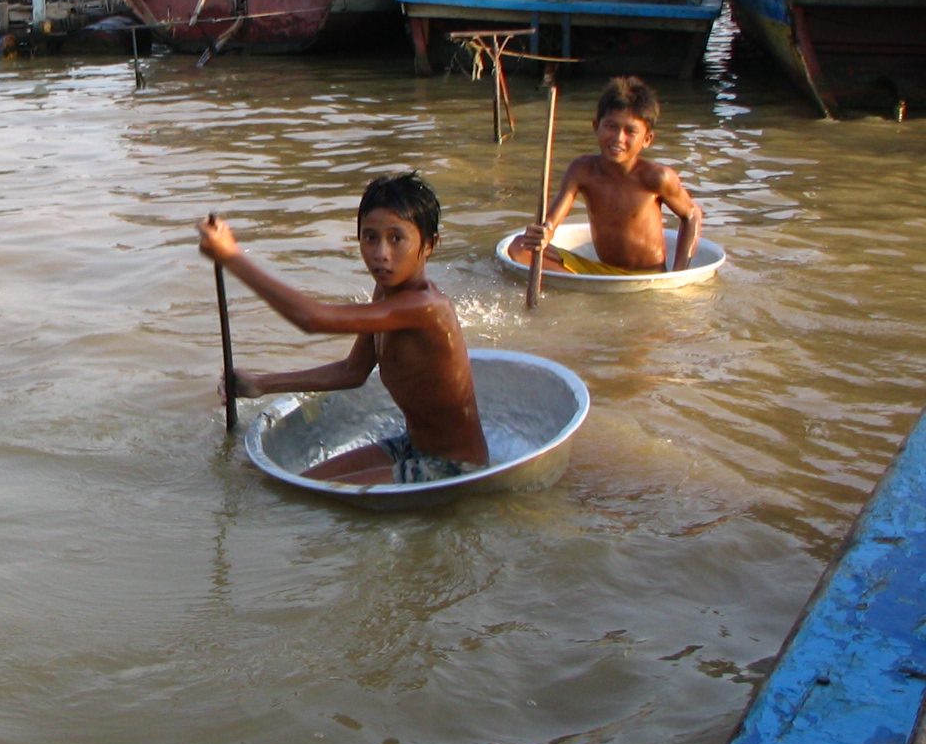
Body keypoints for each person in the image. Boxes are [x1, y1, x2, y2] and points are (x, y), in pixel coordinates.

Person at [197, 173, 489, 487]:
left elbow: (313, 320)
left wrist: (232, 256)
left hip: (453, 468)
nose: (381, 254)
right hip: (411, 446)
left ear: (429, 245)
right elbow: (353, 371)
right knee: (285, 485)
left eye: (396, 238)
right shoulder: (385, 292)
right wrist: (261, 384)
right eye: (370, 237)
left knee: (295, 496)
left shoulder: (427, 307)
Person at [508, 77, 702, 276]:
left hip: (646, 277)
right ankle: (581, 290)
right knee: (519, 246)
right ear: (596, 127)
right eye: (611, 126)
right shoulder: (582, 170)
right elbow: (551, 221)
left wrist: (679, 273)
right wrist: (544, 232)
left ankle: (584, 290)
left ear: (647, 139)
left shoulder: (657, 177)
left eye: (630, 131)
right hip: (602, 273)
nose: (618, 138)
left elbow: (692, 215)